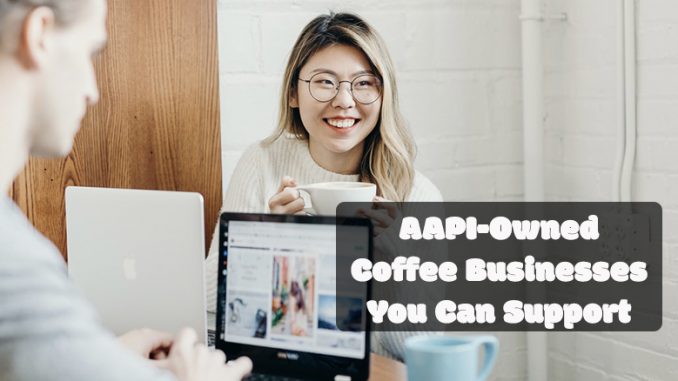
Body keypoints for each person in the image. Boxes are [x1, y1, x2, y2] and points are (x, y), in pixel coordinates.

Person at [0, 1, 251, 380]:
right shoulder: (15, 263)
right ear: (39, 35)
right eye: (89, 53)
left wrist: (97, 357)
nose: (92, 91)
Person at [205, 12, 443, 360]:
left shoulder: (418, 196)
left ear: (383, 95)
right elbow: (207, 301)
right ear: (293, 94)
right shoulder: (263, 163)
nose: (345, 100)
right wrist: (266, 244)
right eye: (324, 81)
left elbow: (418, 352)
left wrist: (394, 269)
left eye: (364, 83)